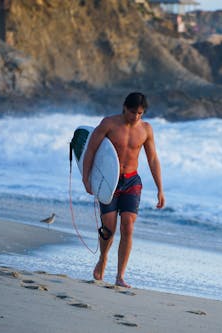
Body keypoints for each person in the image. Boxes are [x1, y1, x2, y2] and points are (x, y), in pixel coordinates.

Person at [82, 92, 165, 288]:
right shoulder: (108, 124)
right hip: (109, 181)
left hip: (132, 181)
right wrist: (86, 178)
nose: (136, 117)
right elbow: (91, 150)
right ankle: (103, 258)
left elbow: (153, 159)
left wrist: (160, 189)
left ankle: (120, 276)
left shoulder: (146, 129)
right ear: (124, 107)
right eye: (133, 112)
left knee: (128, 226)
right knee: (108, 229)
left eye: (140, 113)